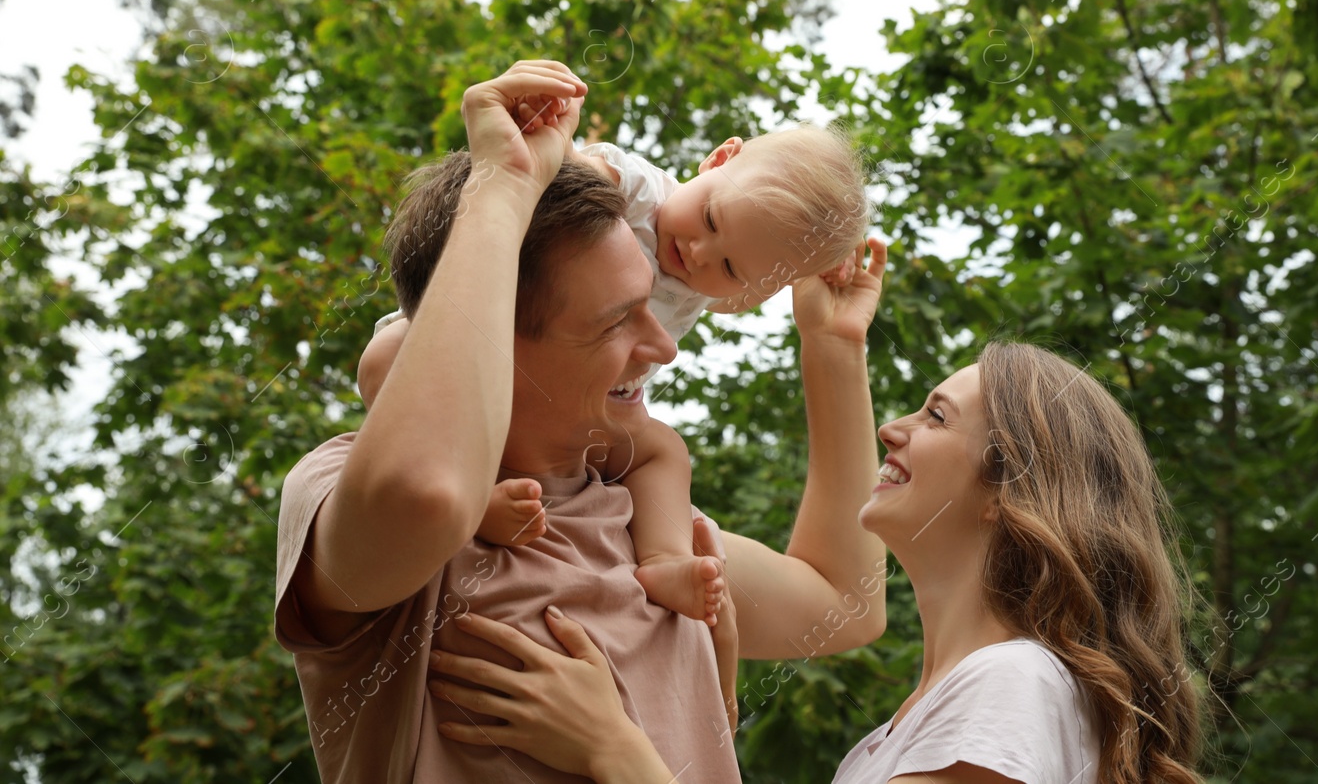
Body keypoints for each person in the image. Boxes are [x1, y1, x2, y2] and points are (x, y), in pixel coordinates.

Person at [274, 62, 889, 782]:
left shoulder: (636, 521)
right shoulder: (355, 492)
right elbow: (427, 491)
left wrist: (834, 346)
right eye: (616, 322)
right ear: (494, 339)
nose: (662, 346)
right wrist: (502, 187)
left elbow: (845, 604)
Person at [428, 341, 1208, 784]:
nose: (897, 429)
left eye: (936, 415)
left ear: (1008, 491)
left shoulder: (1009, 686)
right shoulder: (930, 716)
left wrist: (613, 745)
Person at [356, 69, 871, 624]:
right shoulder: (637, 188)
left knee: (663, 451)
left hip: (589, 414)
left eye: (728, 266)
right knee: (385, 357)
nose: (697, 253)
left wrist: (827, 318)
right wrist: (534, 136)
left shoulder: (719, 286)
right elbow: (559, 184)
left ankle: (666, 556)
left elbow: (843, 607)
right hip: (465, 373)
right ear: (718, 159)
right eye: (710, 219)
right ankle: (476, 494)